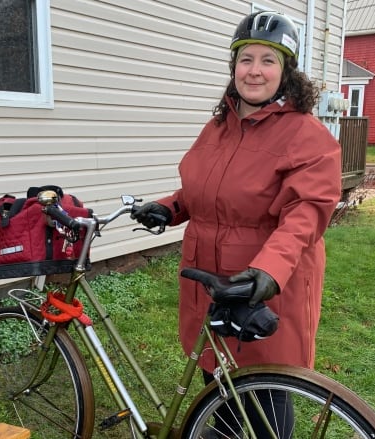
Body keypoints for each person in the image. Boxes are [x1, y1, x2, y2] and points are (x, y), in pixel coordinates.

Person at [132, 10, 342, 437]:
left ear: (286, 71)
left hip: (264, 284)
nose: (255, 71)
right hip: (209, 279)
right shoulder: (219, 128)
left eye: (269, 60)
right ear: (233, 67)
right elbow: (204, 191)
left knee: (266, 392)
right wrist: (168, 208)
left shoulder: (307, 135)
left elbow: (307, 213)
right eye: (246, 59)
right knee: (219, 377)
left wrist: (268, 272)